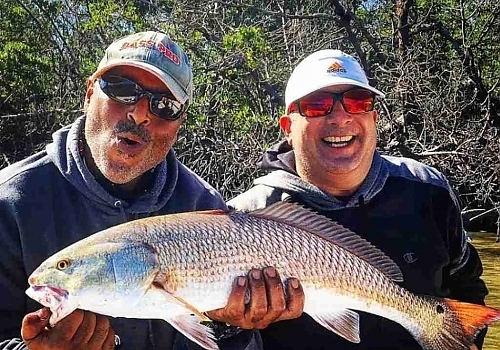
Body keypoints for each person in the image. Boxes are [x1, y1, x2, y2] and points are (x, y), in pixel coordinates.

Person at [0, 31, 303, 350]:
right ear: (90, 94)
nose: (140, 114)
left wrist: (229, 327)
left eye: (165, 105)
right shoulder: (10, 203)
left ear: (179, 124)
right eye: (121, 89)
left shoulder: (204, 206)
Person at [228, 49, 489, 349]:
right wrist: (238, 326)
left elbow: (467, 286)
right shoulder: (244, 216)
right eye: (317, 105)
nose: (340, 117)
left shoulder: (430, 190)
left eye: (357, 102)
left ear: (373, 118)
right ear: (287, 128)